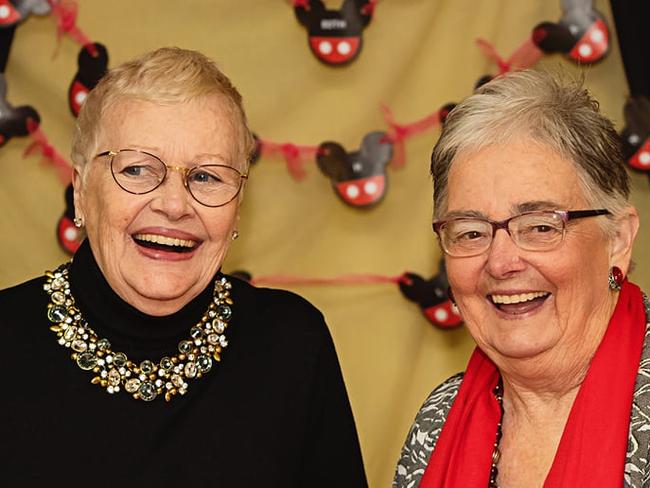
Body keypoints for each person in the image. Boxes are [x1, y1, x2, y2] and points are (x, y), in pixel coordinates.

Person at [0, 47, 367, 487]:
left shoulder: (292, 343)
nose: (174, 204)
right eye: (137, 169)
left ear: (238, 207)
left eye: (207, 176)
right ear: (80, 192)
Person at [394, 69, 647, 488]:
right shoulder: (439, 417)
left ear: (617, 239)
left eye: (540, 226)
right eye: (471, 232)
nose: (501, 262)